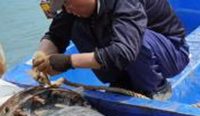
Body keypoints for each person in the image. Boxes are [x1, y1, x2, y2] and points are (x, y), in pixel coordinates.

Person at [33, 0, 190, 98]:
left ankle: (156, 87)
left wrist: (68, 61)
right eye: (63, 5)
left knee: (132, 40)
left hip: (171, 53)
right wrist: (41, 57)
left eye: (67, 3)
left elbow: (125, 51)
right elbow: (55, 35)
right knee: (76, 26)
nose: (67, 8)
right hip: (129, 54)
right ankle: (120, 81)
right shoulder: (72, 8)